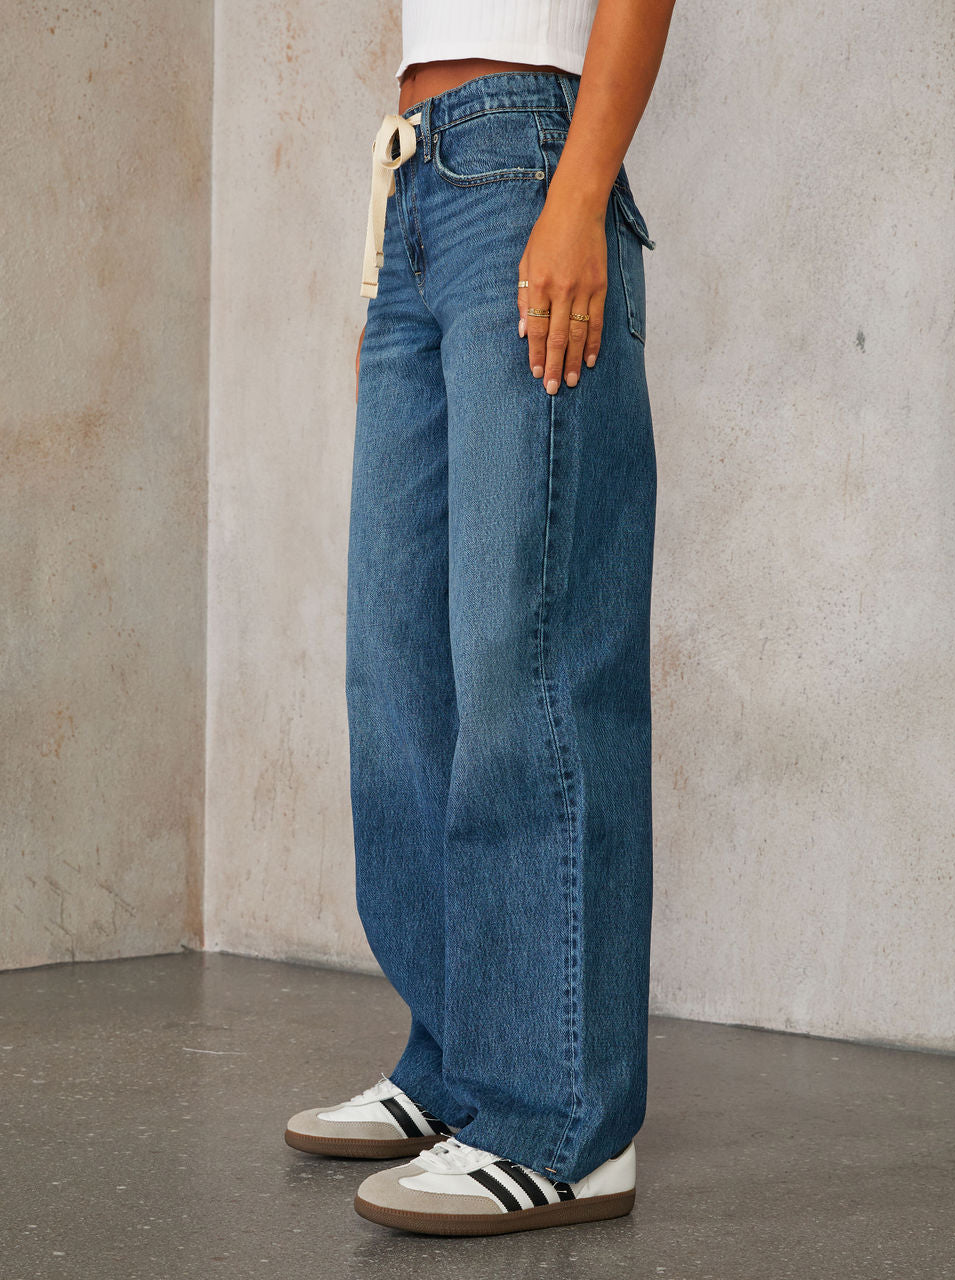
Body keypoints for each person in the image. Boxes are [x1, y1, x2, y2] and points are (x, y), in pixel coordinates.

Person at [285, 0, 675, 1237]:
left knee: (532, 660)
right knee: (400, 669)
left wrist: (578, 192)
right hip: (414, 180)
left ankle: (562, 1123)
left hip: (527, 164)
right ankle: (457, 1062)